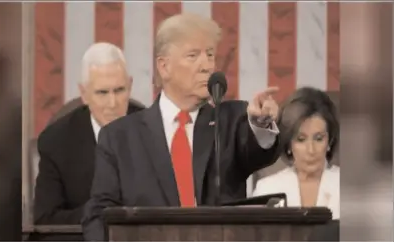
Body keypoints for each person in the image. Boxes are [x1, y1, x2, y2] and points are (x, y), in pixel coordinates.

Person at [82, 13, 282, 241]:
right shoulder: (119, 137)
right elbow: (98, 214)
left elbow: (258, 152)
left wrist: (260, 123)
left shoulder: (231, 120)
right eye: (193, 55)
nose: (206, 66)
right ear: (164, 66)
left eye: (210, 55)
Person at [34, 42, 145, 227]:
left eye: (119, 90)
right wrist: (99, 213)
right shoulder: (55, 142)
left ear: (130, 85)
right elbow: (46, 221)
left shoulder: (152, 131)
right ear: (84, 94)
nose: (112, 103)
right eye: (102, 93)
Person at [253, 87, 340, 219]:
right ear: (289, 144)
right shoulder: (267, 190)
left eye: (319, 138)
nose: (311, 150)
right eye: (301, 139)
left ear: (330, 141)